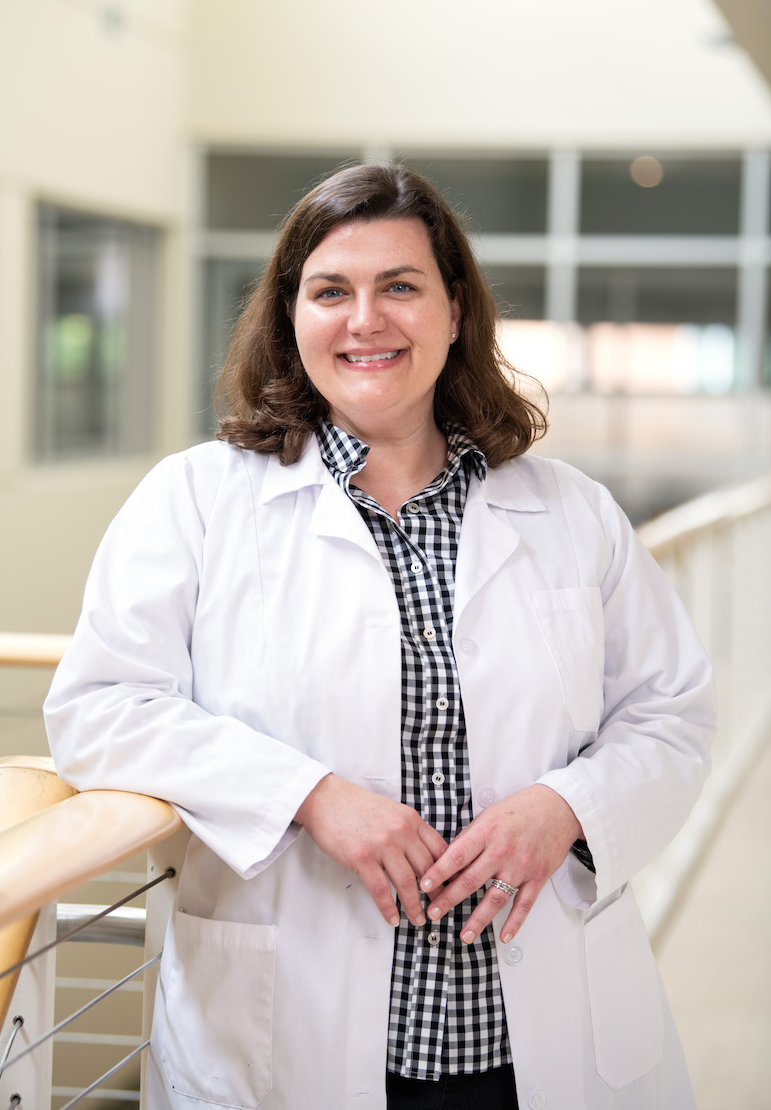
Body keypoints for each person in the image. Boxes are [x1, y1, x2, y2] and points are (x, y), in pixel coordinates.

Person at [44, 163, 716, 1110]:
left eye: (400, 286)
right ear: (291, 321)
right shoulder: (194, 500)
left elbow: (671, 713)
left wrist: (566, 806)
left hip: (537, 1040)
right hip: (293, 1037)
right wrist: (308, 796)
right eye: (331, 291)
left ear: (454, 313)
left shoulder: (572, 512)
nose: (366, 320)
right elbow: (100, 708)